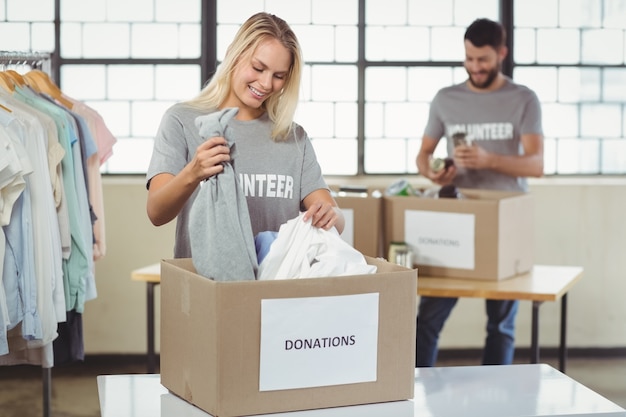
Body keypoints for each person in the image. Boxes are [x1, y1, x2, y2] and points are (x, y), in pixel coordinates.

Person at [146, 12, 344, 260]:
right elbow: (156, 212)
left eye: (279, 76)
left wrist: (334, 215)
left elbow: (333, 216)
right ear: (233, 54)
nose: (265, 83)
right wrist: (194, 171)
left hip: (275, 290)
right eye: (258, 68)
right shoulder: (182, 120)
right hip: (206, 289)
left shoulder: (294, 137)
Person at [415, 18, 544, 366]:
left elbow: (536, 165)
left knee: (501, 324)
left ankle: (496, 404)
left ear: (501, 53)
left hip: (506, 223)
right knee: (427, 318)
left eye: (483, 60)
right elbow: (423, 157)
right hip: (458, 223)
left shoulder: (524, 99)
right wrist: (435, 172)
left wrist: (490, 159)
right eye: (469, 59)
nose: (475, 67)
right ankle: (409, 391)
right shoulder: (446, 99)